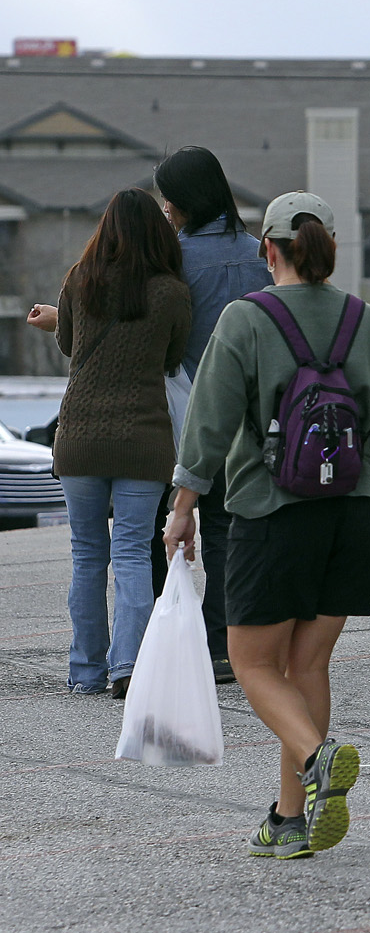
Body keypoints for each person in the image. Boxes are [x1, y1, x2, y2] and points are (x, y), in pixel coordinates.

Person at [165, 192, 370, 859]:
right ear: (331, 246)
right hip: (353, 514)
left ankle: (316, 756)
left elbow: (209, 424)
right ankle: (290, 819)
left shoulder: (245, 320)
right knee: (307, 665)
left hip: (273, 514)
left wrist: (184, 507)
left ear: (267, 251)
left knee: (251, 664)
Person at [48, 188, 191, 698]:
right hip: (142, 438)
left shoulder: (79, 279)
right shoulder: (172, 291)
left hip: (80, 436)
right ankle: (127, 667)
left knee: (87, 554)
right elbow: (174, 356)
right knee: (133, 550)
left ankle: (85, 670)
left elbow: (68, 344)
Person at [156, 145, 272, 684]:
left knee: (166, 526)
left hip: (185, 410)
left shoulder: (169, 259)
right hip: (254, 414)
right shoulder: (260, 254)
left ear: (182, 202)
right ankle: (225, 643)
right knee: (230, 530)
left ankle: (163, 638)